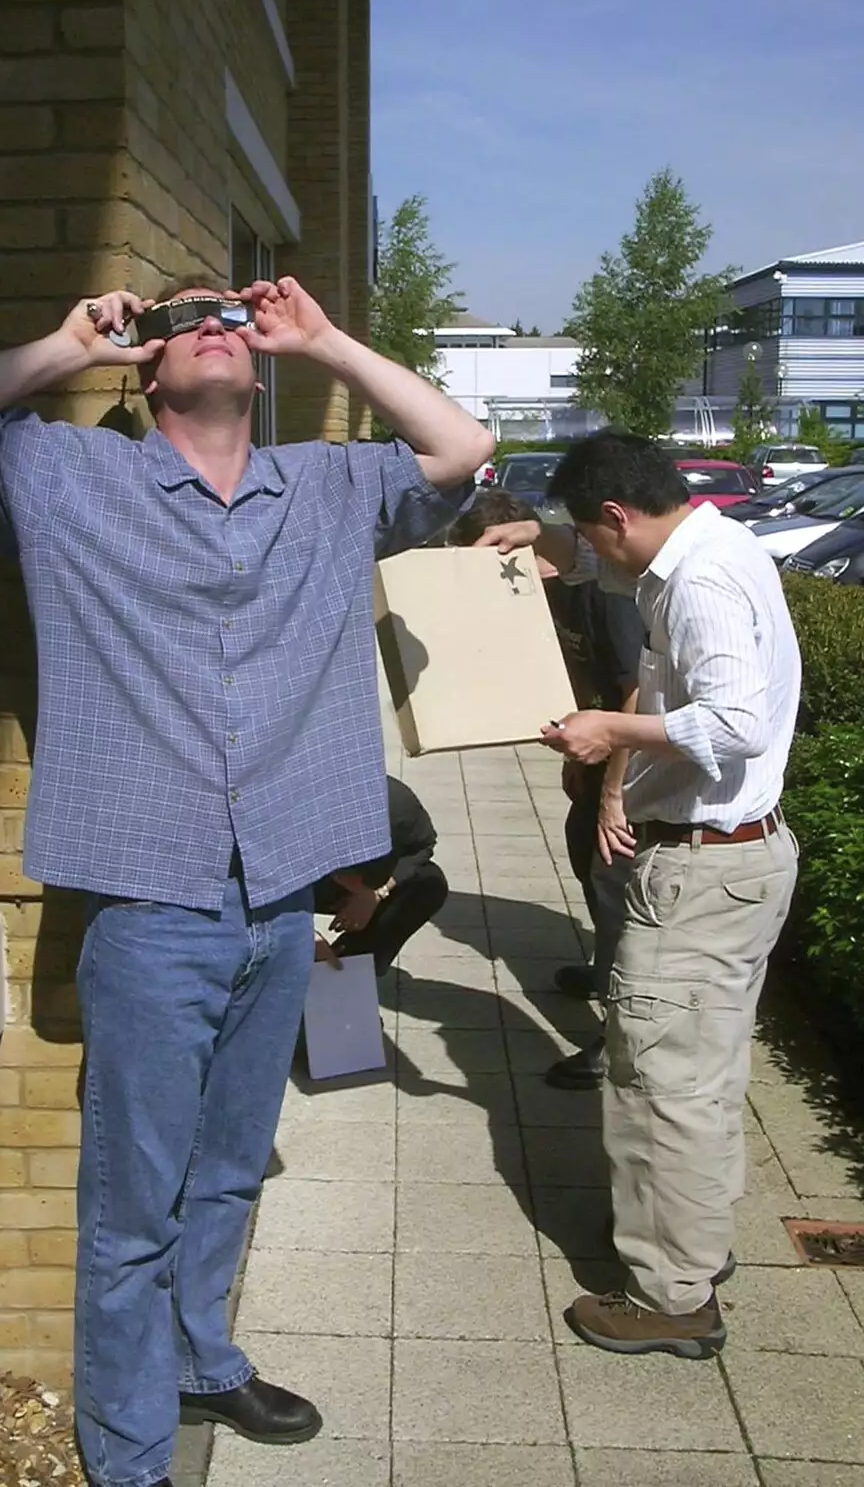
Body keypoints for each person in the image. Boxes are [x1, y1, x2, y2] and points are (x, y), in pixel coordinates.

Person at [0, 274, 492, 1487]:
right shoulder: (63, 478)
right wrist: (62, 343)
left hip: (284, 894)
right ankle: (128, 1454)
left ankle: (205, 1353)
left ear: (261, 367)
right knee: (129, 1207)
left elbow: (462, 445)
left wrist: (323, 340)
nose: (209, 326)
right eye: (179, 320)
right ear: (145, 369)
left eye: (230, 316)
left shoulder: (331, 486)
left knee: (229, 1161)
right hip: (151, 902)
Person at [478, 430, 800, 1359]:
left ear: (619, 514)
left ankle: (670, 1299)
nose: (595, 553)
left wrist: (604, 729)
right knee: (702, 1074)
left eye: (592, 532)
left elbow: (734, 724)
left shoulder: (697, 583)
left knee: (662, 1087)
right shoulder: (711, 545)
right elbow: (616, 572)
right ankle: (694, 1252)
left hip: (701, 872)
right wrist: (551, 541)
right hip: (737, 862)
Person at [455, 490, 644, 1087]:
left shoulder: (603, 594)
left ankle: (619, 1039)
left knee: (616, 887)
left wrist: (612, 794)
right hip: (600, 755)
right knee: (579, 847)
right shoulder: (546, 591)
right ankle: (604, 972)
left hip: (641, 764)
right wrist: (578, 761)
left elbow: (637, 694)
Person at [313, 775, 448, 975]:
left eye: (362, 881)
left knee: (429, 883)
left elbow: (423, 847)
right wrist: (305, 938)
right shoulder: (299, 815)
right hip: (282, 883)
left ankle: (349, 968)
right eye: (345, 876)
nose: (353, 884)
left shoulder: (400, 807)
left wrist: (376, 894)